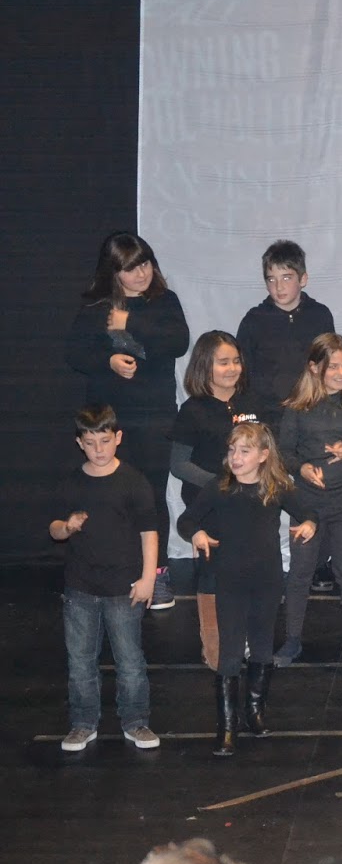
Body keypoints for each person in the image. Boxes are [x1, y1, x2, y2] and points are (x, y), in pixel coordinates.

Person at [65, 232, 190, 610]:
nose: (141, 274)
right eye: (131, 268)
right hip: (110, 419)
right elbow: (74, 354)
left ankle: (158, 573)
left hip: (154, 417)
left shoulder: (164, 300)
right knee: (109, 495)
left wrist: (129, 321)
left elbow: (178, 342)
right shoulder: (98, 307)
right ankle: (114, 572)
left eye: (145, 264)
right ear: (113, 272)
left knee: (151, 495)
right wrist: (109, 361)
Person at [178, 423, 317, 757]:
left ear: (263, 455)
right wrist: (196, 533)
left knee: (262, 647)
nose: (236, 458)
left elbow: (309, 511)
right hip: (230, 581)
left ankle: (254, 713)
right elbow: (187, 520)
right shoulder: (220, 487)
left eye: (244, 451)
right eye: (232, 450)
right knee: (230, 651)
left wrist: (310, 524)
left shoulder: (276, 488)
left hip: (267, 580)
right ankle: (227, 727)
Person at [51, 404, 161, 752]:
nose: (98, 449)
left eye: (105, 440)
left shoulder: (133, 481)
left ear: (118, 438)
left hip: (123, 587)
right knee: (81, 661)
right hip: (80, 587)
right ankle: (83, 723)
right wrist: (67, 527)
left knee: (130, 661)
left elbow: (149, 533)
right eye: (90, 442)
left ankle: (136, 721)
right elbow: (54, 529)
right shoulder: (72, 482)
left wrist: (148, 578)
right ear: (79, 443)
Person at [275, 333, 342, 666]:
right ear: (314, 367)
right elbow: (283, 453)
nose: (341, 373)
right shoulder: (297, 407)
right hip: (307, 502)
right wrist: (302, 468)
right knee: (301, 570)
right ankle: (292, 639)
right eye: (333, 366)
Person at [170, 332, 265, 671]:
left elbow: (266, 451)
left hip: (249, 508)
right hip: (209, 509)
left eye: (236, 361)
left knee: (249, 574)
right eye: (223, 362)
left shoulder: (251, 403)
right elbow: (179, 465)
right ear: (204, 366)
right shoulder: (192, 410)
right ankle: (214, 647)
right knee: (213, 576)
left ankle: (246, 641)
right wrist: (220, 485)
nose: (232, 368)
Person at [235, 240, 336, 432]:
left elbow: (330, 364)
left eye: (286, 278)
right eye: (271, 280)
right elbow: (243, 374)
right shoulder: (254, 320)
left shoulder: (320, 316)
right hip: (267, 418)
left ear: (303, 279)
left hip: (311, 414)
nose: (279, 287)